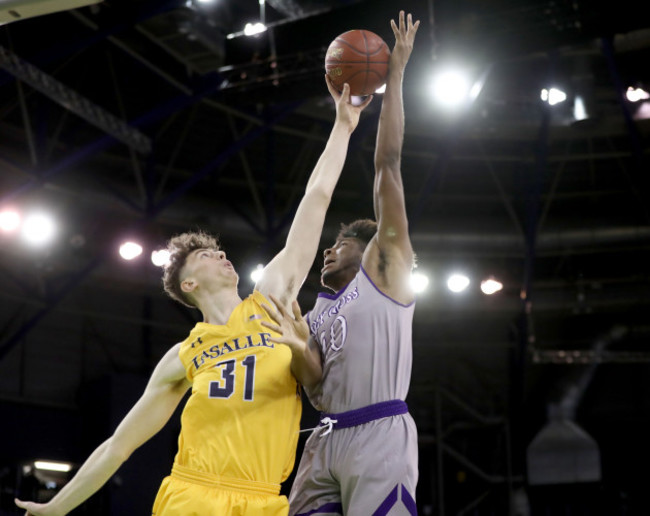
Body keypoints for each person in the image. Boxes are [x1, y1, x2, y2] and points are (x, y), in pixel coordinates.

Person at [14, 77, 372, 516]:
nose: (221, 254)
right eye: (206, 254)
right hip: (193, 495)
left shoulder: (271, 300)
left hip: (264, 500)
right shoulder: (182, 356)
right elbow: (118, 446)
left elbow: (315, 198)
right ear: (188, 284)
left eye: (220, 250)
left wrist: (343, 126)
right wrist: (58, 507)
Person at [263, 11, 421, 515]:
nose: (328, 251)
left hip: (379, 431)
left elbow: (387, 165)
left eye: (341, 244)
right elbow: (312, 382)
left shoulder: (387, 273)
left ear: (371, 251)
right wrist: (292, 342)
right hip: (323, 436)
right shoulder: (316, 311)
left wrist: (394, 77)